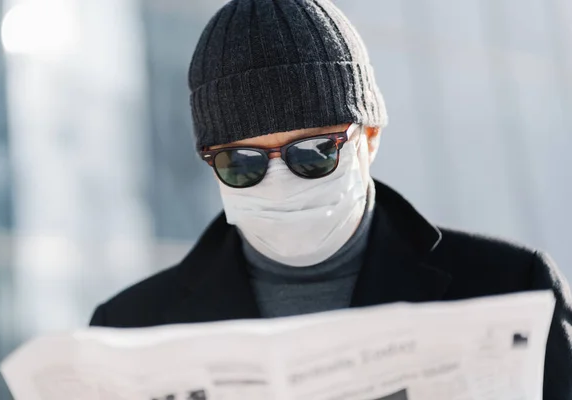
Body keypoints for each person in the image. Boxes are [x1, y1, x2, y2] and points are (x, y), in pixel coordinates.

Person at [90, 0, 572, 397]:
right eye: (243, 162)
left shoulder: (510, 287)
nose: (279, 180)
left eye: (314, 152)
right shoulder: (129, 329)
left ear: (371, 137)